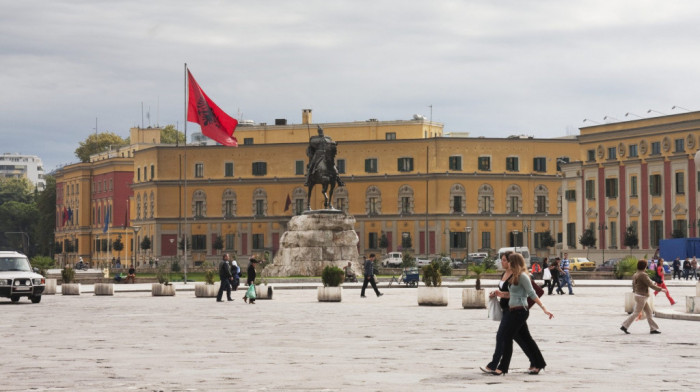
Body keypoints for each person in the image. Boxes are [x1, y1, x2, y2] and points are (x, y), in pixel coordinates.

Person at [489, 253, 553, 375]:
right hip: (513, 311)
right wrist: (500, 294)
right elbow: (512, 294)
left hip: (520, 312)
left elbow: (532, 293)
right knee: (527, 339)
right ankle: (539, 364)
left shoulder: (523, 276)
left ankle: (503, 368)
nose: (508, 264)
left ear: (515, 263)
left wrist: (544, 308)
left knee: (507, 338)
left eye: (510, 262)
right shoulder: (515, 276)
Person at [482, 251, 538, 374]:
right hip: (507, 309)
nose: (502, 262)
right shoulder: (504, 273)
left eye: (504, 260)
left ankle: (494, 365)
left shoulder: (516, 275)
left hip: (514, 310)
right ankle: (535, 362)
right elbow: (504, 290)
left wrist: (502, 294)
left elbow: (517, 293)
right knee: (521, 338)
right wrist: (496, 293)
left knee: (501, 336)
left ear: (510, 261)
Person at [621, 259, 667, 334]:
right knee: (636, 313)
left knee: (649, 312)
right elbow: (650, 284)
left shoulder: (636, 274)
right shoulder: (643, 274)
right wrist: (661, 289)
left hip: (638, 295)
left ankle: (653, 329)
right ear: (644, 266)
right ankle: (624, 325)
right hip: (642, 296)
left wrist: (635, 291)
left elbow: (633, 284)